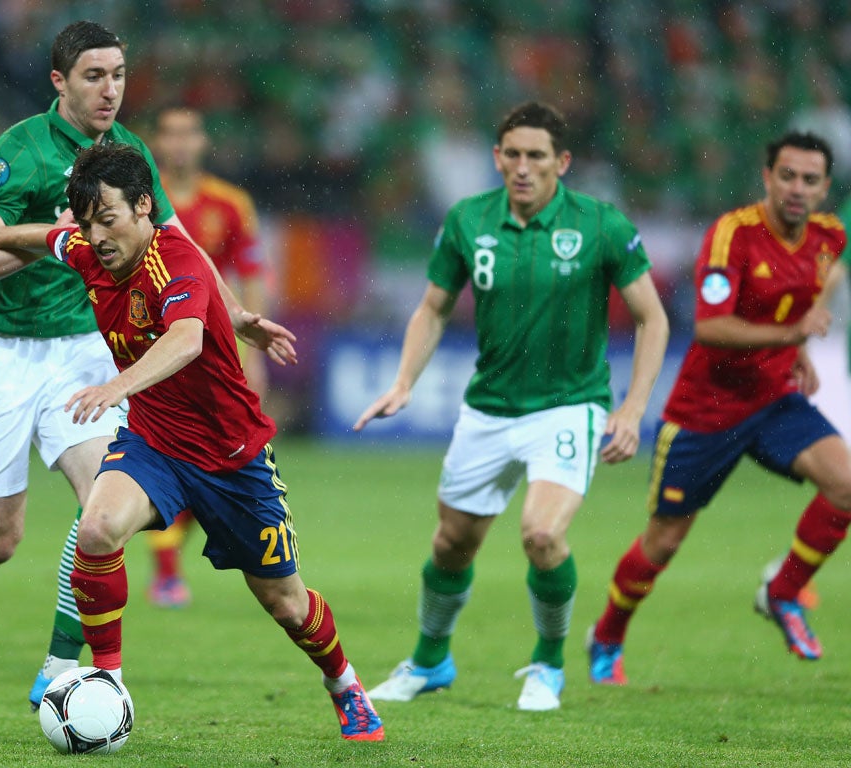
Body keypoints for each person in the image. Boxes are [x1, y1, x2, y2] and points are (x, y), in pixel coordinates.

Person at [0, 21, 296, 705]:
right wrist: (59, 239)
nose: (110, 91)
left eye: (118, 75)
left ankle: (59, 668)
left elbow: (178, 240)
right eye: (94, 76)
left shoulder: (128, 153)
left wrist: (236, 312)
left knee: (103, 505)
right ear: (59, 82)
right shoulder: (21, 151)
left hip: (80, 352)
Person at [0, 142, 383, 741]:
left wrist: (115, 386)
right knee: (97, 529)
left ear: (144, 206)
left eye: (109, 219)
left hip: (232, 458)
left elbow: (185, 341)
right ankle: (108, 681)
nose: (98, 236)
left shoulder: (175, 259)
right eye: (89, 222)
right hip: (155, 443)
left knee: (286, 603)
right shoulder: (90, 251)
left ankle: (344, 684)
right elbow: (50, 237)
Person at [354, 101, 669, 711]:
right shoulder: (469, 220)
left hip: (569, 405)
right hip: (489, 408)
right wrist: (404, 382)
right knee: (451, 545)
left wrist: (631, 410)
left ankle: (548, 665)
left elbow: (652, 318)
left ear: (562, 162)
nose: (524, 167)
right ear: (497, 158)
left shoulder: (600, 223)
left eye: (537, 156)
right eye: (514, 155)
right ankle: (430, 661)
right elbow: (434, 307)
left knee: (542, 535)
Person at [588, 131, 850, 686]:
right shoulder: (733, 235)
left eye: (809, 179)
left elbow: (800, 296)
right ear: (767, 177)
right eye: (787, 176)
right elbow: (711, 327)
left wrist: (797, 350)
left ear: (825, 187)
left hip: (774, 397)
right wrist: (792, 336)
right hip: (705, 410)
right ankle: (607, 635)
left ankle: (783, 591)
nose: (797, 188)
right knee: (664, 541)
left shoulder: (830, 236)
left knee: (846, 485)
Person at [142, 104, 270, 608]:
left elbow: (251, 274)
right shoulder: (140, 199)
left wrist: (254, 348)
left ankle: (172, 560)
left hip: (214, 347)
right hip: (154, 343)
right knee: (160, 449)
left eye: (188, 133)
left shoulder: (230, 203)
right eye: (170, 133)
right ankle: (166, 571)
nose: (179, 143)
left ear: (202, 142)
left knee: (218, 454)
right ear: (157, 142)